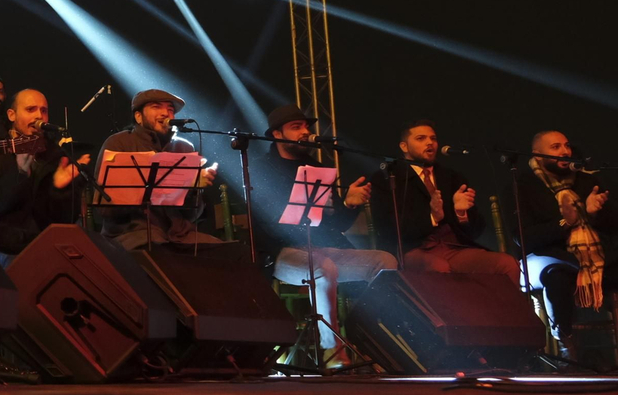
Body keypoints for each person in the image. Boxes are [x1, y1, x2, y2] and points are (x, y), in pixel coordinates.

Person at [249, 104, 396, 359]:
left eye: (306, 126)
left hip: (323, 249)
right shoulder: (261, 167)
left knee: (386, 261)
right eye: (296, 127)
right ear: (276, 134)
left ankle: (373, 338)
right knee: (324, 268)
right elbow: (264, 223)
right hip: (282, 253)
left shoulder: (315, 167)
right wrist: (305, 209)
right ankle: (334, 353)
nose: (305, 132)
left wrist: (349, 203)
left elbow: (337, 224)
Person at [370, 119, 518, 281]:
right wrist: (432, 217)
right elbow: (387, 228)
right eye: (421, 138)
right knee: (438, 267)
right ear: (404, 146)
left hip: (453, 248)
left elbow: (476, 231)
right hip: (412, 249)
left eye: (433, 139)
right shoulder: (388, 178)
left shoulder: (451, 177)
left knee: (506, 263)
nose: (430, 143)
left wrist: (461, 213)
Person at [0, 88, 91, 255]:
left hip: (44, 248)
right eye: (30, 109)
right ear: (11, 115)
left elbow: (64, 221)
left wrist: (59, 190)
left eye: (44, 110)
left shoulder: (54, 154)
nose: (38, 116)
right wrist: (19, 173)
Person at [516, 129, 612, 348]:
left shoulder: (587, 182)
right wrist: (566, 222)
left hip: (589, 256)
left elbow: (611, 228)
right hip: (542, 256)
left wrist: (594, 214)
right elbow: (524, 239)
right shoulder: (522, 185)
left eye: (567, 145)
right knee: (558, 277)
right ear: (537, 155)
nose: (565, 151)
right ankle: (566, 348)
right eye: (555, 147)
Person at [95, 89, 219, 250]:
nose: (165, 113)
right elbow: (105, 209)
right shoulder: (118, 143)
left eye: (170, 109)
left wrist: (194, 188)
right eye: (156, 107)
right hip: (133, 235)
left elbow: (191, 216)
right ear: (138, 117)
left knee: (235, 254)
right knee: (160, 251)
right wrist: (142, 191)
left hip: (179, 235)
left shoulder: (184, 148)